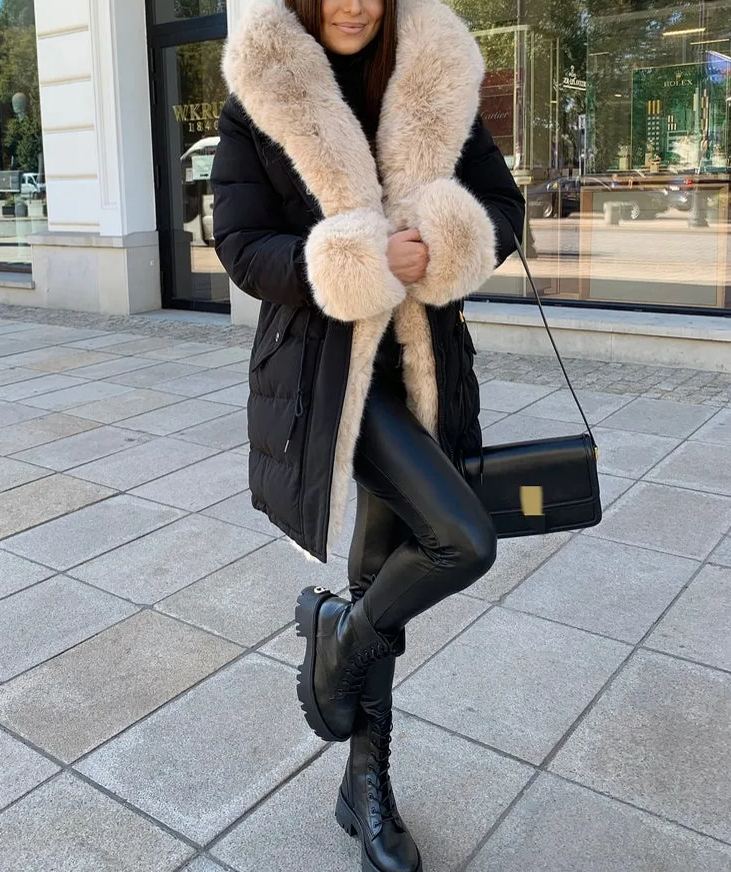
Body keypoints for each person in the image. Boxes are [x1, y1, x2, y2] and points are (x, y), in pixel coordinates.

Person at [212, 0, 525, 868]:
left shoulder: (435, 75)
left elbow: (503, 206)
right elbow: (240, 243)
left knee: (382, 573)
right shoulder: (264, 88)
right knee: (461, 541)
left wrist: (448, 240)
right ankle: (341, 637)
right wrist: (356, 260)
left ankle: (365, 779)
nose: (352, 4)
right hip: (326, 370)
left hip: (422, 365)